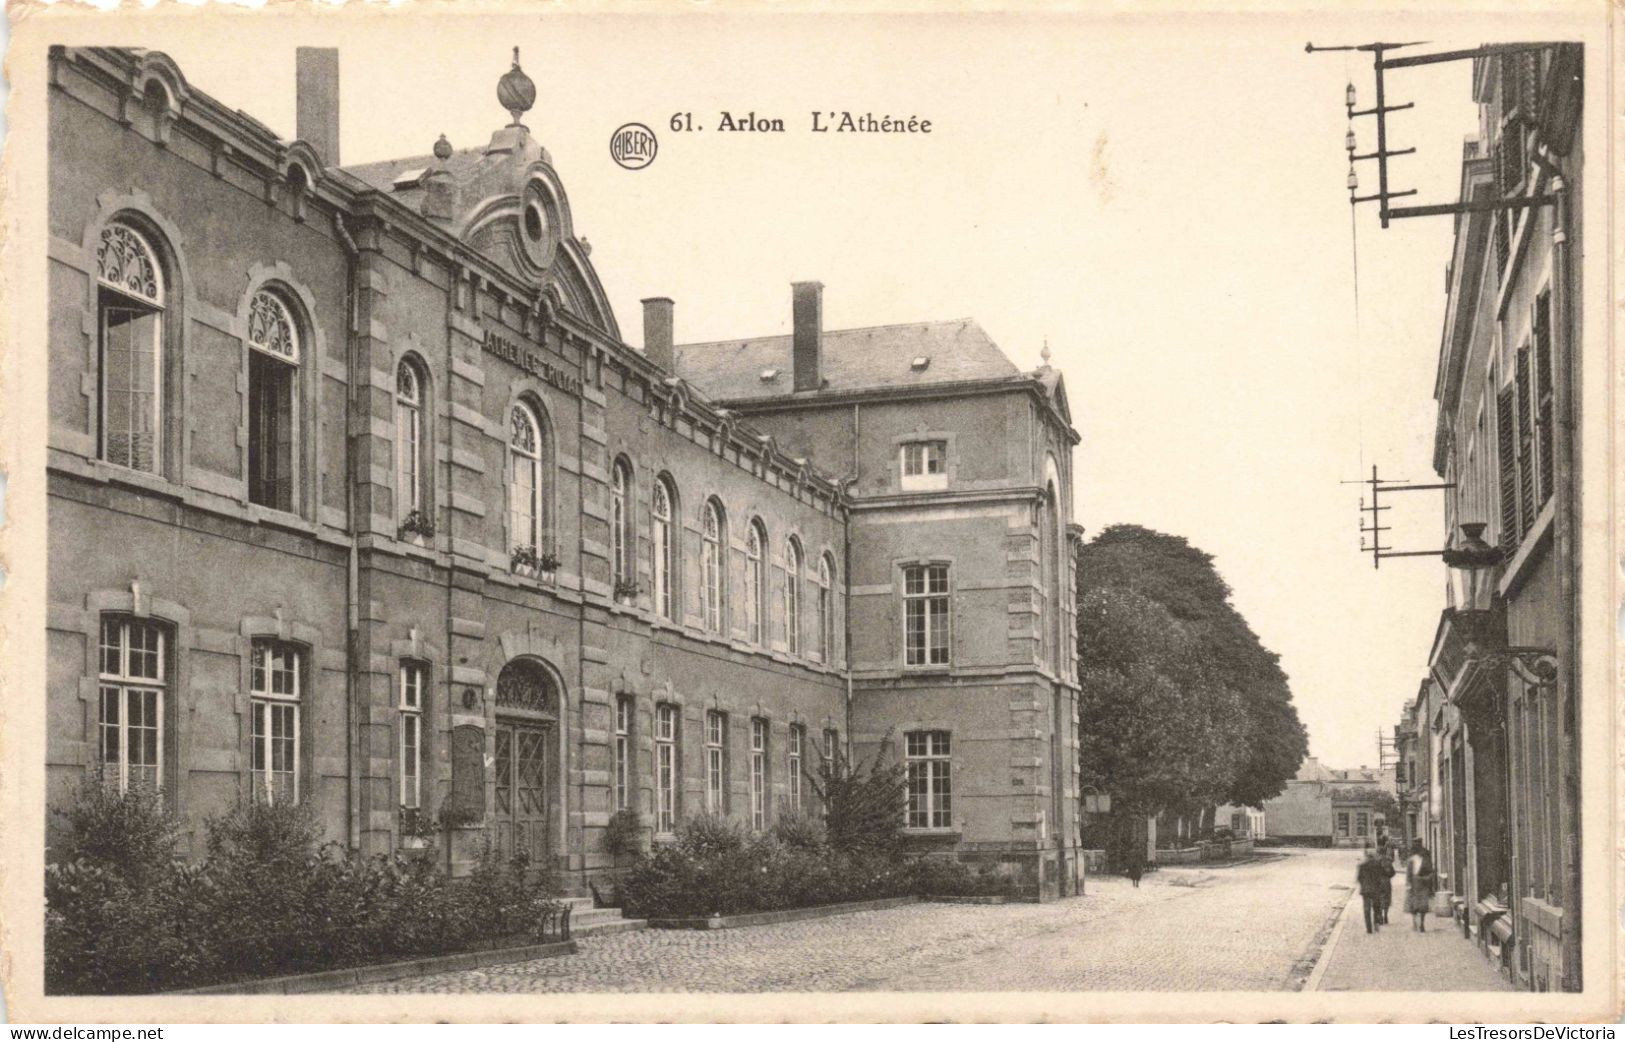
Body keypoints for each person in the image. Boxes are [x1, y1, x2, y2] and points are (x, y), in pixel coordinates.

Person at [1356, 842, 1389, 933]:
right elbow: (1382, 875)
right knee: (1376, 907)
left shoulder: (1362, 865)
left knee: (1366, 909)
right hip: (1376, 889)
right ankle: (1376, 924)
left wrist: (1363, 884)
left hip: (1365, 890)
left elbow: (1359, 878)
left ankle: (1368, 928)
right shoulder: (1377, 864)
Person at [1405, 839, 1437, 932]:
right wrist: (1408, 883)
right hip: (1414, 884)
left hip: (1423, 884)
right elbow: (1408, 873)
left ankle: (1421, 924)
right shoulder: (1411, 859)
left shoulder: (1425, 859)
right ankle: (1415, 922)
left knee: (1423, 906)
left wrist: (1427, 879)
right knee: (1413, 905)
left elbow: (1431, 872)